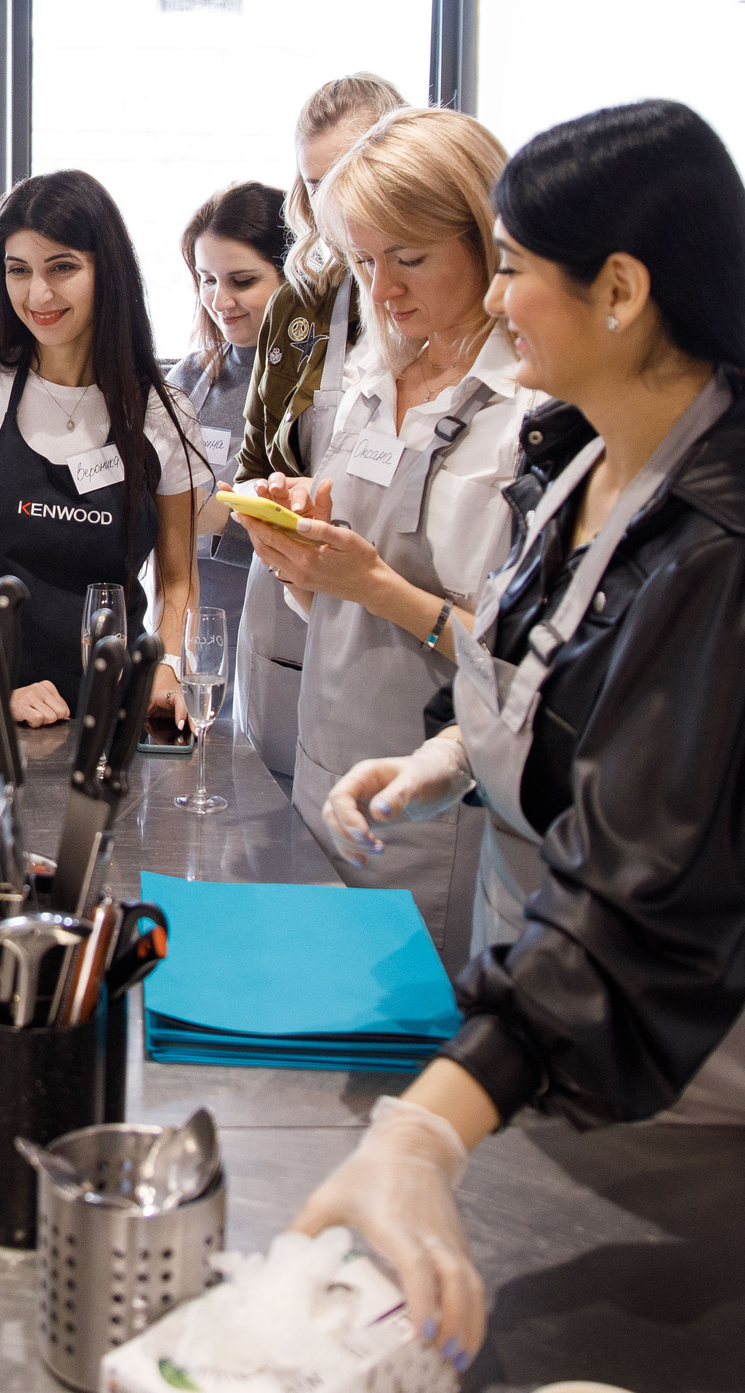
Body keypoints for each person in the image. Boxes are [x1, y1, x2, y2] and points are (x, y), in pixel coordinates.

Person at [293, 102, 745, 1370]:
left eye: (509, 269)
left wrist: (424, 1131)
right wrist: (452, 756)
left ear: (619, 291)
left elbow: (647, 888)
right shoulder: (587, 456)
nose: (495, 307)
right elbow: (533, 661)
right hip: (555, 1043)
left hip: (697, 1095)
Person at [236, 111, 533, 970]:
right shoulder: (371, 381)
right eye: (366, 262)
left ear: (485, 238)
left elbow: (528, 664)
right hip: (327, 762)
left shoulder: (530, 412)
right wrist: (301, 550)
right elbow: (336, 591)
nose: (384, 288)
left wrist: (373, 585)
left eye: (408, 258)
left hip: (443, 789)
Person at [0, 170, 205, 728]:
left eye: (62, 267)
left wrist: (170, 665)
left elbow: (177, 577)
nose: (38, 294)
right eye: (19, 271)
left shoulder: (162, 412)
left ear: (106, 270)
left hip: (111, 714)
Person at [235, 73, 413, 782]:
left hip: (398, 608)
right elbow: (254, 456)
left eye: (347, 176)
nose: (333, 207)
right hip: (290, 584)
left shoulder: (437, 310)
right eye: (314, 186)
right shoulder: (302, 304)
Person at [170, 181, 291, 630]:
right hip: (188, 623)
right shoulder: (185, 379)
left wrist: (221, 521)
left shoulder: (319, 391)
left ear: (294, 277)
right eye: (206, 280)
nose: (220, 302)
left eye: (242, 281)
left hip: (278, 627)